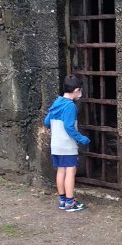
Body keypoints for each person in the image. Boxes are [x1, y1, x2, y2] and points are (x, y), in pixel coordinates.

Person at [43, 74, 90, 211]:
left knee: (61, 170)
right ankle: (70, 202)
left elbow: (46, 121)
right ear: (76, 90)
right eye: (80, 90)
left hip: (56, 144)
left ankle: (62, 200)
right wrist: (82, 138)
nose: (80, 93)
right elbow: (69, 127)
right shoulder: (70, 106)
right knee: (70, 170)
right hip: (66, 144)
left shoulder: (57, 102)